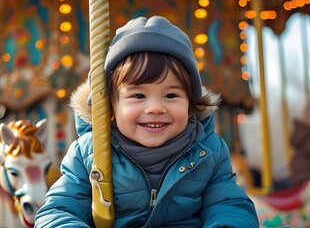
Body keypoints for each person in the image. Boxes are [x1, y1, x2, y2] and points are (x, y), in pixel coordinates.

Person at [35, 16, 258, 227]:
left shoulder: (208, 150)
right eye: (138, 96)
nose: (155, 108)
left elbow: (228, 204)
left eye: (171, 95)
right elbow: (60, 209)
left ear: (190, 105)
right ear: (111, 107)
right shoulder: (88, 153)